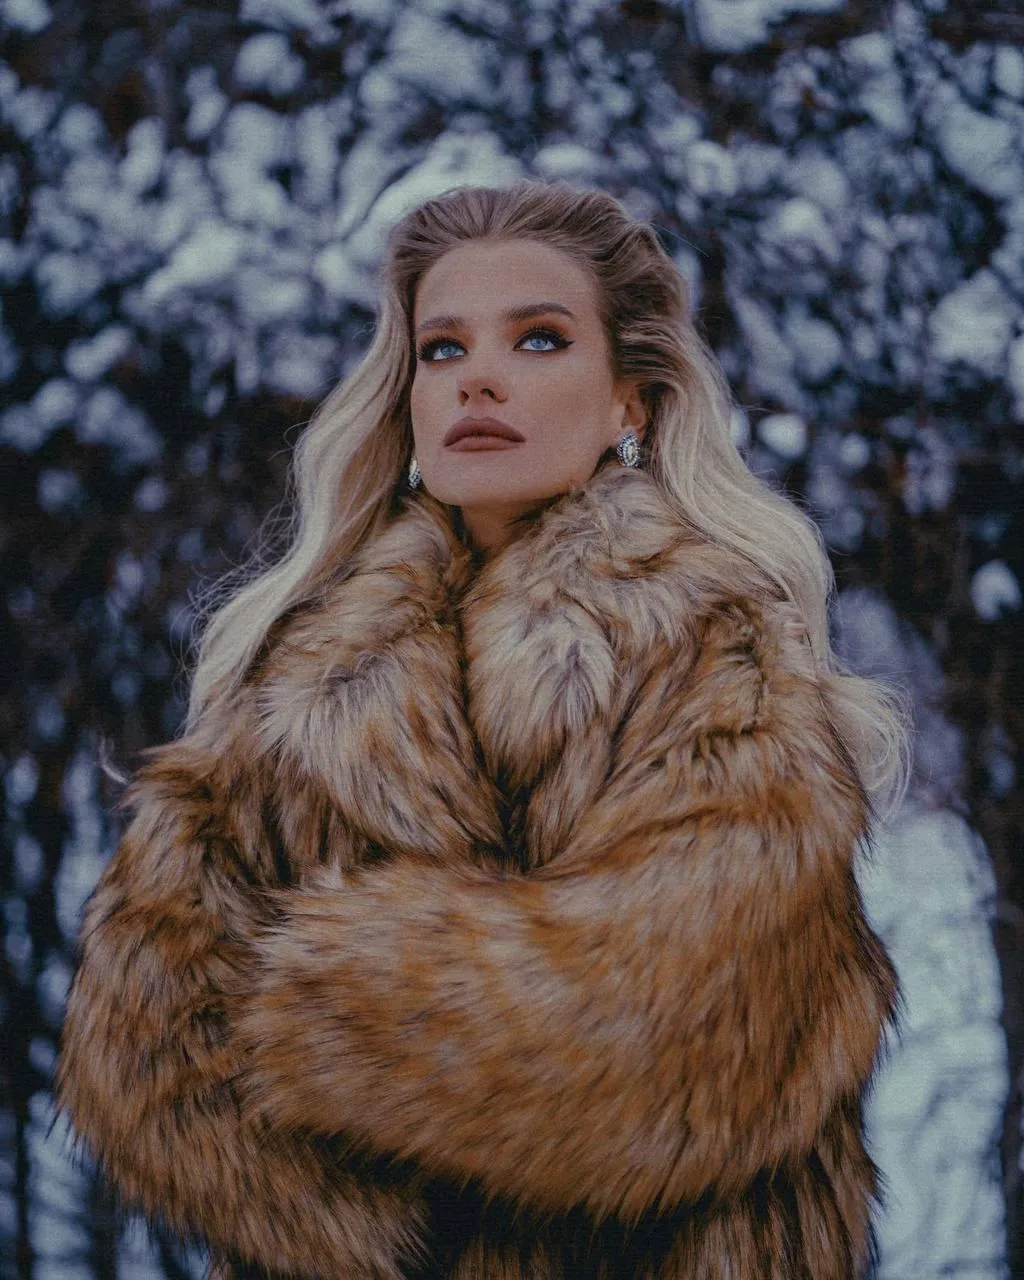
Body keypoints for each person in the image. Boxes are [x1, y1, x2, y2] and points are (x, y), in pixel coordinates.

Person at [56, 179, 909, 1279]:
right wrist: (349, 1210)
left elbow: (682, 1030)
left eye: (539, 338)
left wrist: (340, 1011)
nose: (478, 379)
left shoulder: (718, 646)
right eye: (442, 349)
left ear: (632, 402)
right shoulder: (298, 674)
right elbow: (148, 1033)